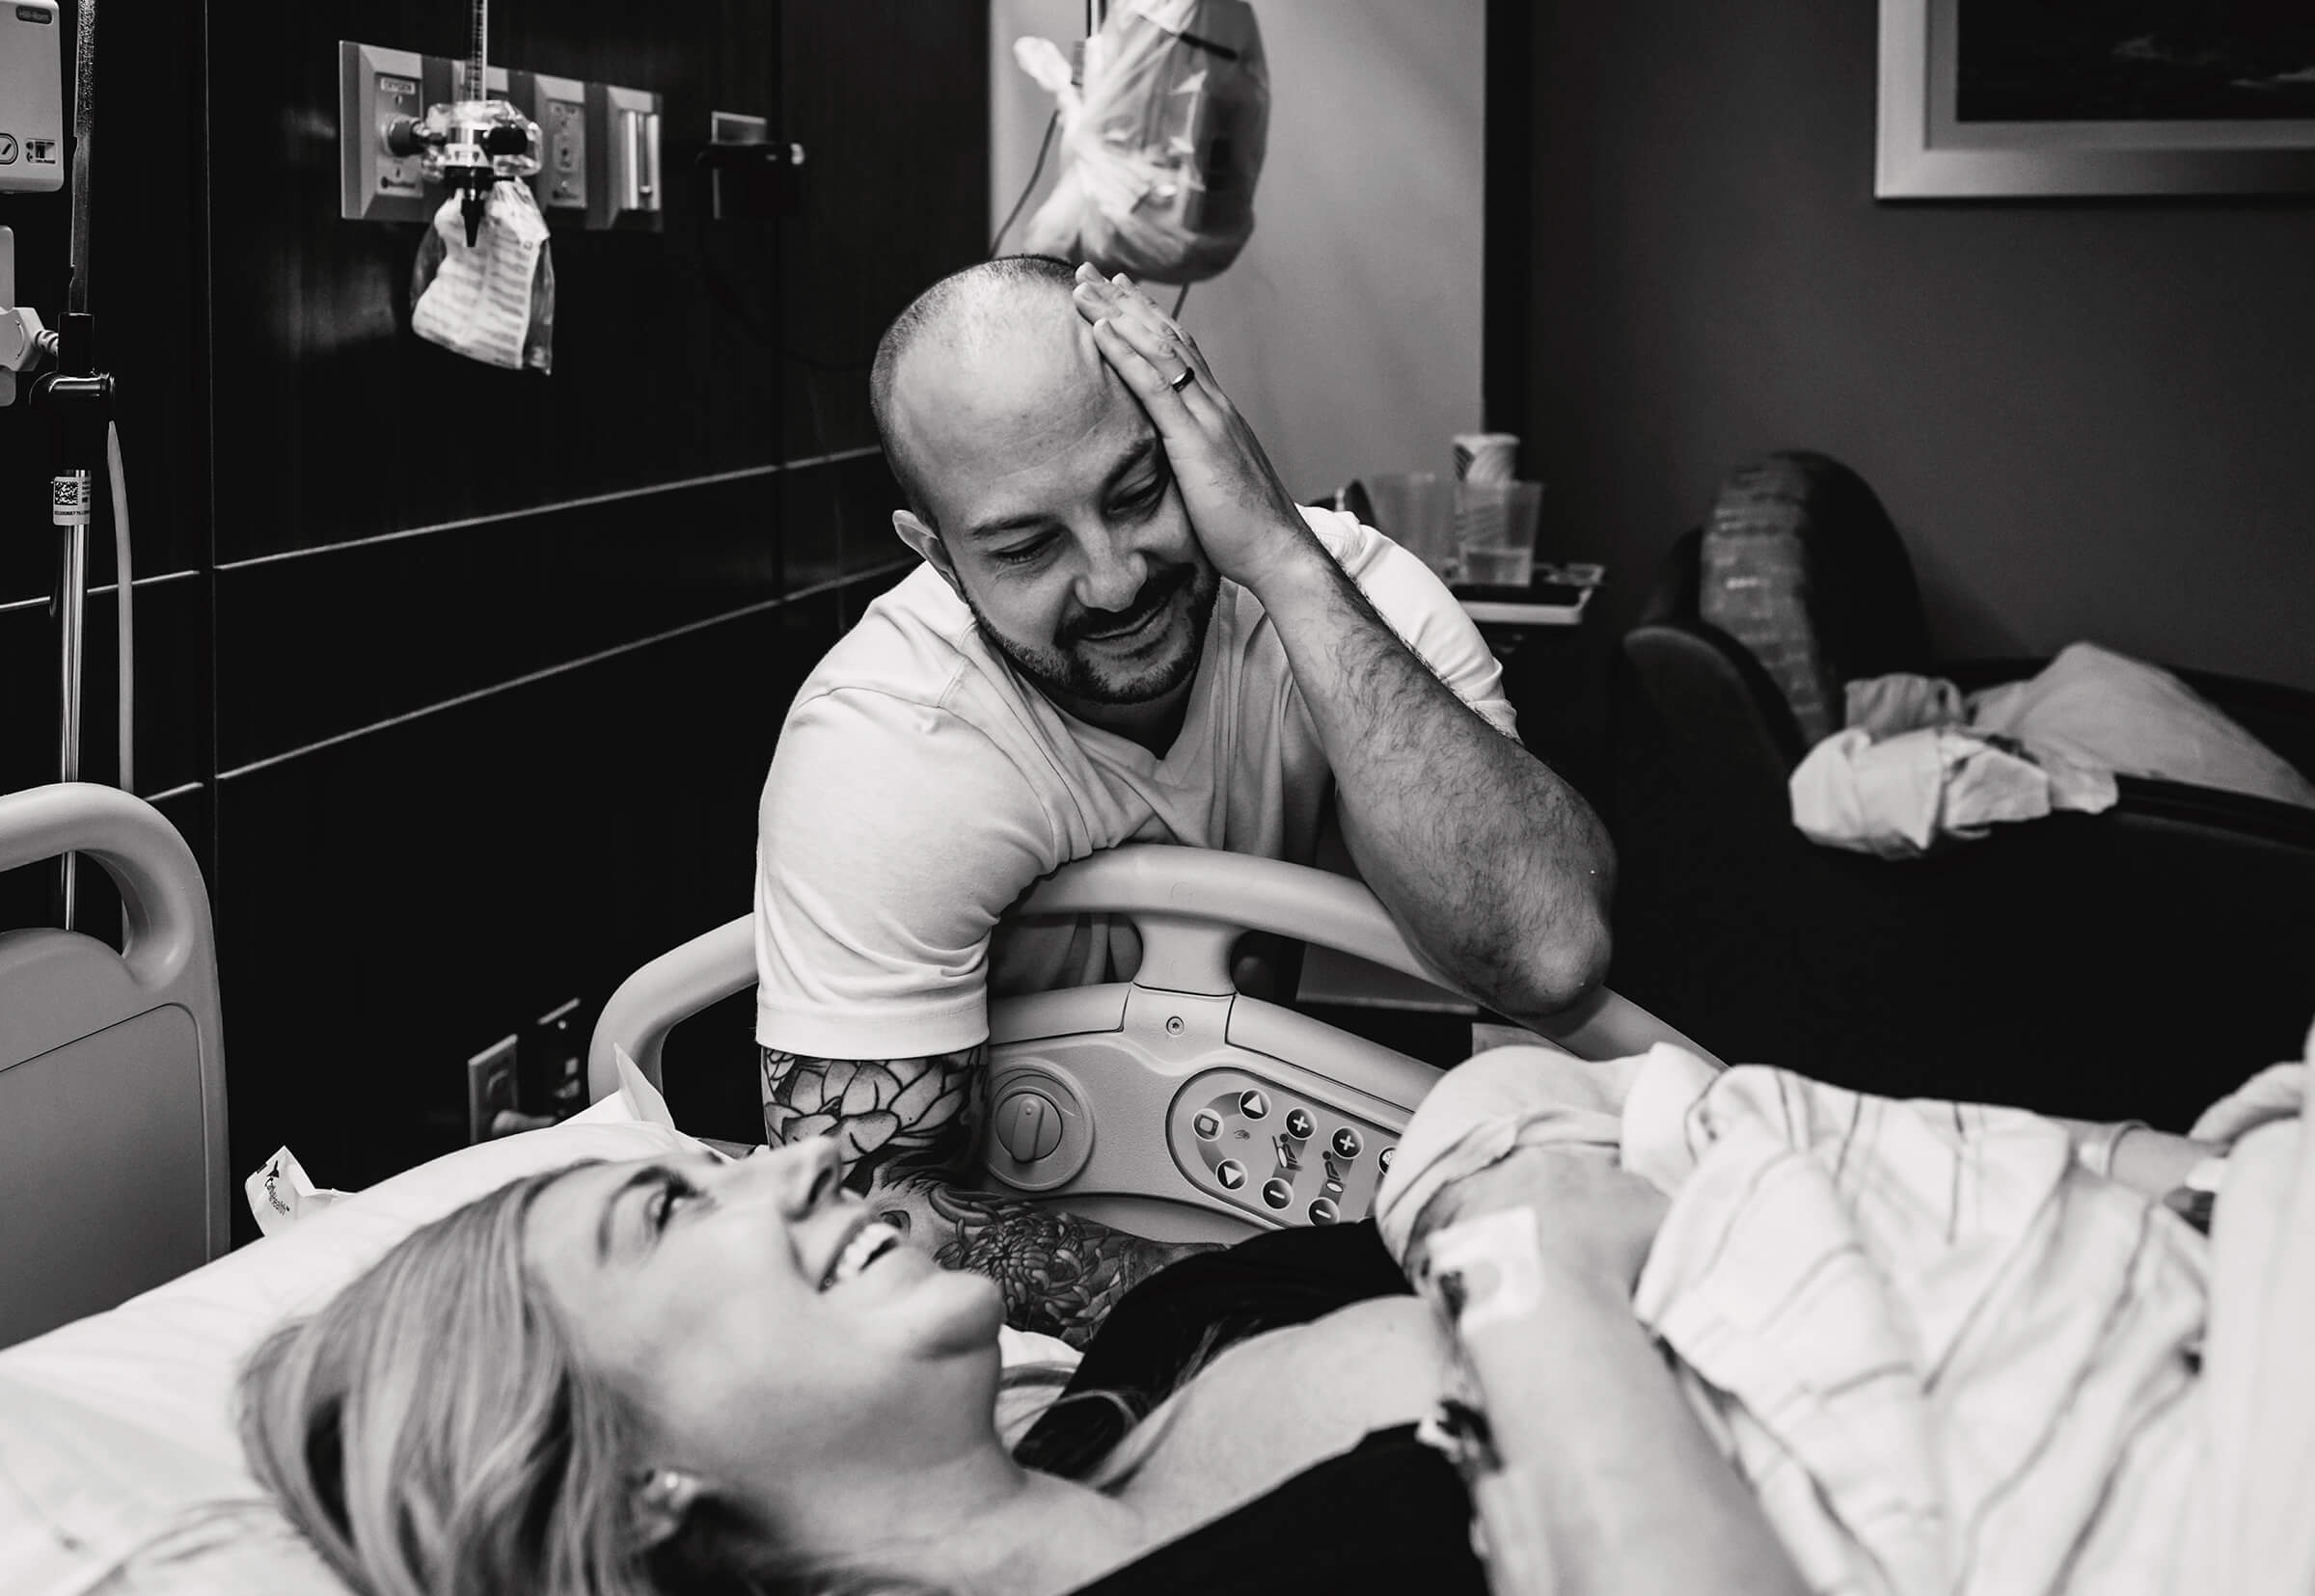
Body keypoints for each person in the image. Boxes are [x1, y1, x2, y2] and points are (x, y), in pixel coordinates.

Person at [236, 1089, 2228, 1596]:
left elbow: (1616, 1171)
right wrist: (1532, 1271)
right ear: (626, 1471)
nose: (795, 1158)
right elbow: (1536, 1240)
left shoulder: (1164, 1332)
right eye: (668, 1206)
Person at [751, 257, 1616, 1342]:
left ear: (1199, 440)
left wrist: (1284, 563)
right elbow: (862, 1204)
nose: (1114, 579)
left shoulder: (1351, 597)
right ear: (938, 555)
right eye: (1026, 546)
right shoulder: (889, 736)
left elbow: (1548, 953)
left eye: (1137, 492)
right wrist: (1235, 1303)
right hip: (1018, 1327)